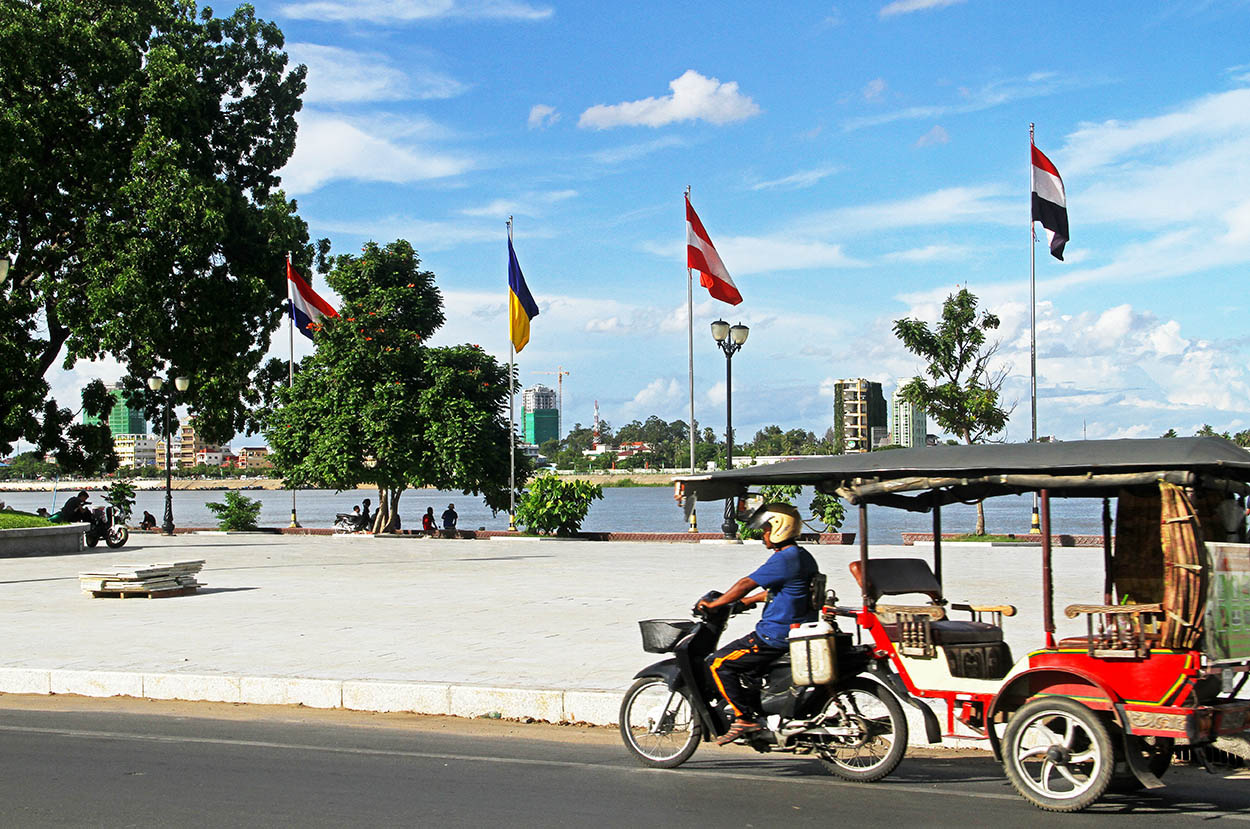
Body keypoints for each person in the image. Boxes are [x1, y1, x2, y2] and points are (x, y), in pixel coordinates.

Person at [695, 503, 820, 745]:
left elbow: (745, 583)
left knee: (718, 663)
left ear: (779, 529)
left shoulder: (784, 558)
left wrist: (715, 604)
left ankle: (744, 718)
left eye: (765, 529)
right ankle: (759, 713)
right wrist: (747, 602)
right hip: (797, 630)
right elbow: (783, 591)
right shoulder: (801, 556)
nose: (763, 534)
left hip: (774, 636)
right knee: (745, 667)